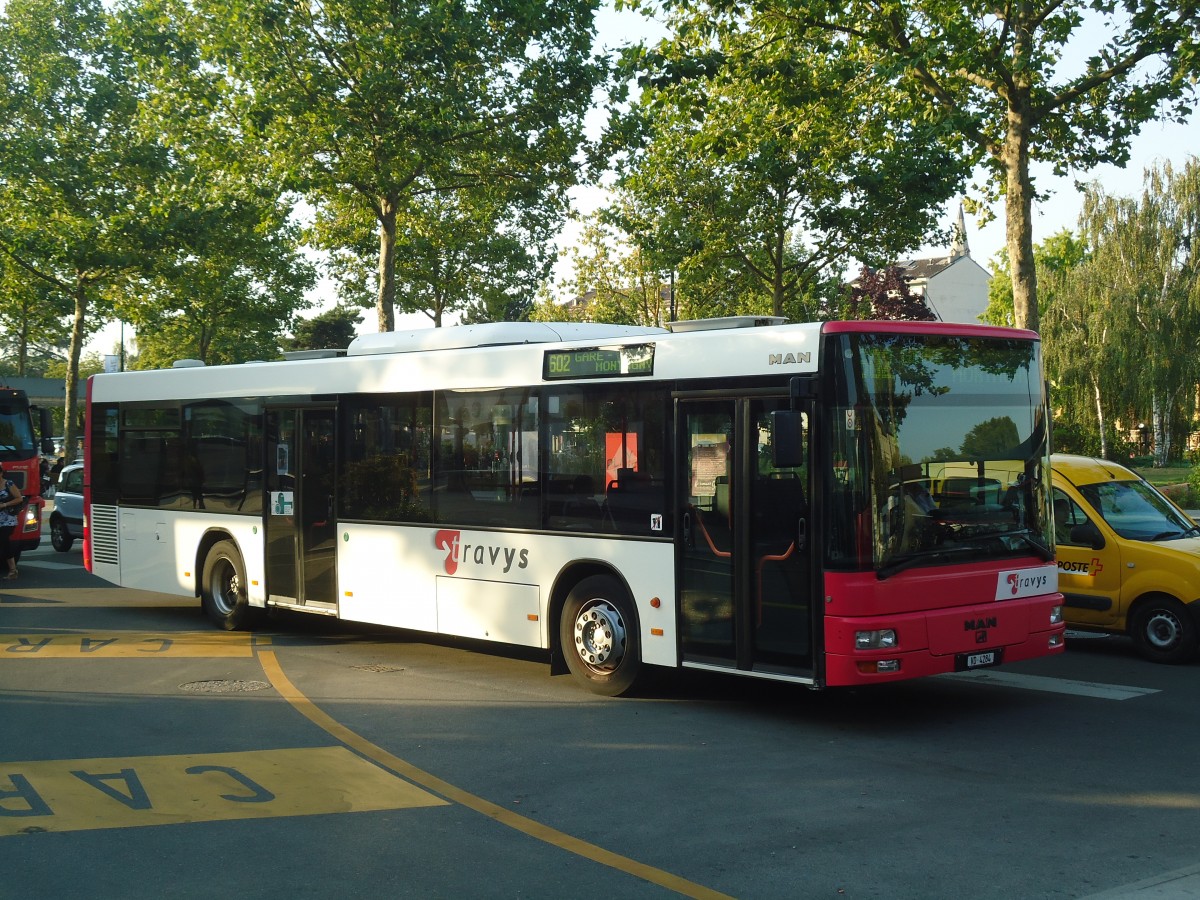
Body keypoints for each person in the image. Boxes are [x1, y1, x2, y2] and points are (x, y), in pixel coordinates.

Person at [0, 465, 24, 579]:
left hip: (7, 520)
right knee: (4, 543)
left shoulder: (8, 484)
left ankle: (13, 570)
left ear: (1, 473)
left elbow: (19, 498)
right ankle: (12, 570)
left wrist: (5, 504)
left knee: (4, 541)